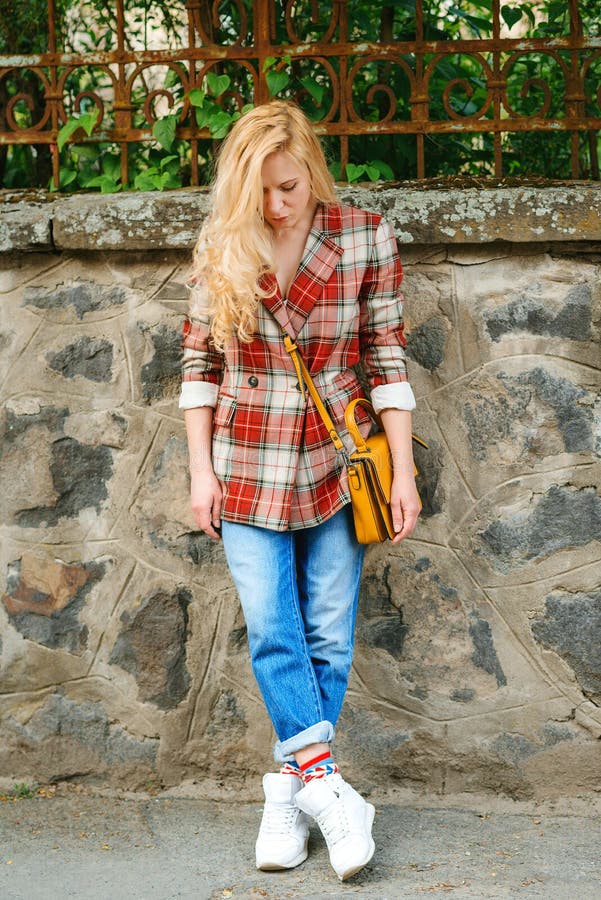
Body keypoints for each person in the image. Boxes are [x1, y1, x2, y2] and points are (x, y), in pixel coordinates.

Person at [179, 100, 419, 882]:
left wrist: (405, 471)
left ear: (310, 171)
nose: (278, 206)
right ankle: (331, 790)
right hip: (245, 459)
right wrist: (199, 471)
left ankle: (286, 791)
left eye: (288, 188)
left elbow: (385, 361)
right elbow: (198, 371)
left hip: (338, 463)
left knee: (326, 634)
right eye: (262, 194)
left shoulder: (362, 236)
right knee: (272, 629)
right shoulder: (222, 245)